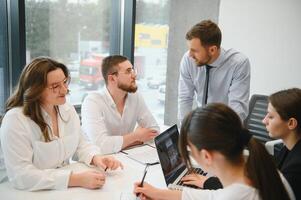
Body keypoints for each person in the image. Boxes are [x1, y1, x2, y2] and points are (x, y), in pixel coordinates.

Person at [0, 57, 123, 191]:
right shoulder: (15, 120)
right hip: (21, 192)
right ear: (36, 89)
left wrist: (96, 158)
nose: (65, 90)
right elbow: (21, 175)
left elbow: (80, 144)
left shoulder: (66, 108)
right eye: (55, 86)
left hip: (57, 190)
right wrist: (74, 179)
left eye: (65, 82)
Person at [134, 103, 294, 200]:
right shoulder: (262, 169)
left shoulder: (236, 195)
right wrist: (157, 193)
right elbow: (211, 196)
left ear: (206, 156)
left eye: (190, 151)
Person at [81, 55, 159, 154]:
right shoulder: (92, 102)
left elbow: (155, 131)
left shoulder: (135, 97)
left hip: (125, 157)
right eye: (128, 71)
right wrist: (136, 136)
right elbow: (100, 146)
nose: (134, 75)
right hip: (97, 163)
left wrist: (120, 144)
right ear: (112, 79)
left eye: (133, 70)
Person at [178, 19, 250, 123]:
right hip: (201, 125)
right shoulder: (188, 60)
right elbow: (185, 98)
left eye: (195, 51)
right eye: (189, 49)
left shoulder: (238, 64)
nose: (190, 55)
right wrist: (185, 132)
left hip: (226, 127)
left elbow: (237, 110)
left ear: (212, 50)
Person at [262, 88, 301, 199]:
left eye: (270, 116)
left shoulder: (295, 169)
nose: (264, 121)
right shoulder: (288, 148)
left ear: (291, 123)